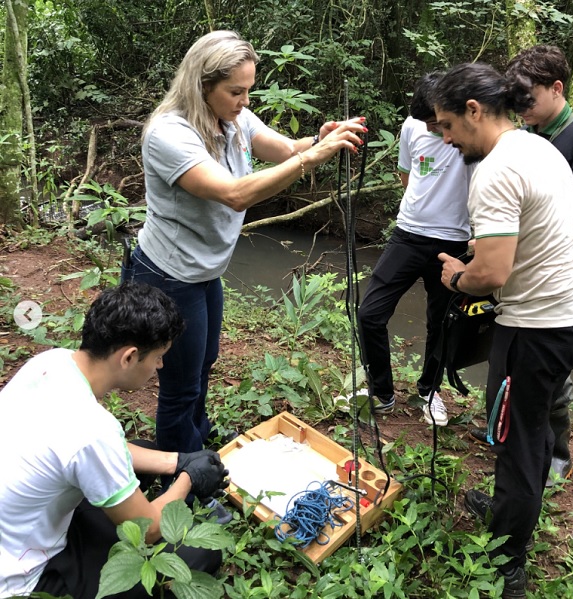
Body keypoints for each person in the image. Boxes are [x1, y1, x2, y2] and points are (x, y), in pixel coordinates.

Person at [125, 30, 365, 457]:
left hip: (205, 271)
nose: (245, 101)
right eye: (236, 91)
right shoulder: (169, 134)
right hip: (168, 274)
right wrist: (310, 157)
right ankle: (184, 471)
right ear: (202, 87)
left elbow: (287, 148)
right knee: (180, 382)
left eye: (248, 90)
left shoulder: (234, 118)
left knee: (205, 360)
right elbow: (235, 193)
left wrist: (318, 139)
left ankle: (196, 432)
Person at [433, 62, 573, 598]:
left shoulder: (496, 170)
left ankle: (509, 562)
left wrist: (459, 276)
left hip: (538, 327)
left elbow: (492, 273)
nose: (446, 138)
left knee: (518, 440)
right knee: (528, 423)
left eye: (448, 125)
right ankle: (508, 512)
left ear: (474, 112)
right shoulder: (536, 145)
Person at [0, 282, 230, 599]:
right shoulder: (91, 429)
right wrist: (190, 478)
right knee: (201, 556)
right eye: (159, 357)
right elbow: (148, 529)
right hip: (25, 574)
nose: (160, 366)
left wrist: (177, 462)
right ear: (130, 357)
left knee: (148, 453)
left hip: (20, 523)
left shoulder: (50, 362)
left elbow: (95, 451)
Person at [468, 45, 573, 487]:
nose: (519, 107)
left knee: (548, 379)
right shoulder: (531, 135)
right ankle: (514, 435)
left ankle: (554, 455)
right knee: (517, 376)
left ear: (556, 89)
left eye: (527, 97)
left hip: (561, 270)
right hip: (524, 264)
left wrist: (550, 201)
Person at [357, 72, 471, 425]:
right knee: (370, 313)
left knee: (443, 322)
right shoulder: (412, 126)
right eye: (429, 123)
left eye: (439, 123)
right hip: (408, 234)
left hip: (454, 239)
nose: (437, 131)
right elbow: (407, 174)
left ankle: (429, 390)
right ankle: (383, 393)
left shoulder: (474, 133)